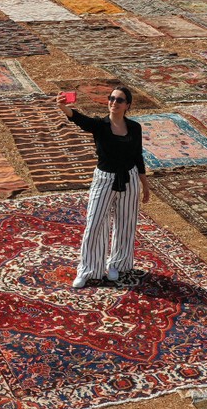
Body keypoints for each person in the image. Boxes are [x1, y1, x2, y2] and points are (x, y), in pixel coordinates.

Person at [57, 86, 150, 289]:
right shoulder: (100, 125)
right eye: (111, 98)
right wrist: (64, 108)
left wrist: (145, 184)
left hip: (129, 178)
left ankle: (117, 264)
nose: (114, 102)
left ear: (127, 105)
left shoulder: (135, 128)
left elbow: (138, 156)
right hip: (105, 179)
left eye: (119, 100)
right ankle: (88, 269)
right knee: (95, 223)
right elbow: (80, 120)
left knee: (125, 223)